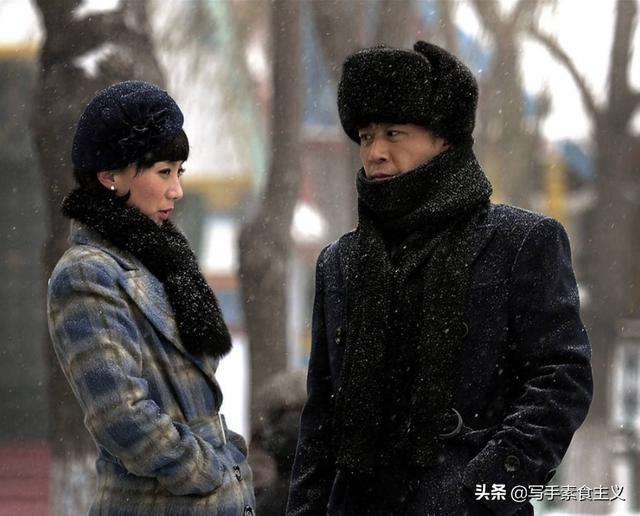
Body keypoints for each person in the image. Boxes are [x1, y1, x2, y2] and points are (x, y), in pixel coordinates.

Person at [286, 42, 593, 516]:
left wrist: (483, 486)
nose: (375, 153)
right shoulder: (340, 263)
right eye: (365, 137)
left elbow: (562, 378)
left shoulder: (521, 243)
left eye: (394, 133)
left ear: (444, 139)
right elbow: (321, 421)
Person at [47, 80, 255, 515]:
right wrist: (208, 471)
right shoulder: (87, 273)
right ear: (110, 176)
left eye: (180, 172)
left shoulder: (163, 262)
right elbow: (120, 414)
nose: (176, 190)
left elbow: (198, 401)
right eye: (163, 172)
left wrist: (229, 458)